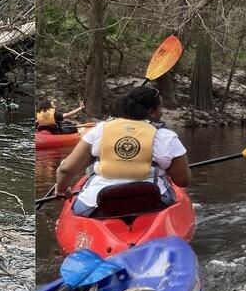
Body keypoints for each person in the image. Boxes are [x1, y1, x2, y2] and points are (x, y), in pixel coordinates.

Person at [55, 86, 191, 217]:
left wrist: (61, 190)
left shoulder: (99, 130)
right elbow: (182, 181)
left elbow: (66, 169)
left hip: (95, 207)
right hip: (154, 204)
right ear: (151, 112)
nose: (162, 112)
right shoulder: (166, 137)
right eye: (160, 108)